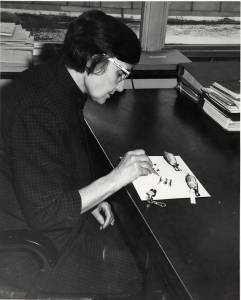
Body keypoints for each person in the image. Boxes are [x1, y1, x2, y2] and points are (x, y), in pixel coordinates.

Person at [0, 10, 155, 299]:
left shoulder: (57, 81)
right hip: (25, 245)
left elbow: (51, 158)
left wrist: (89, 195)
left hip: (26, 210)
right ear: (92, 61)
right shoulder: (39, 110)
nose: (121, 86)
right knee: (135, 273)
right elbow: (45, 214)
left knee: (132, 251)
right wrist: (116, 178)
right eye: (120, 74)